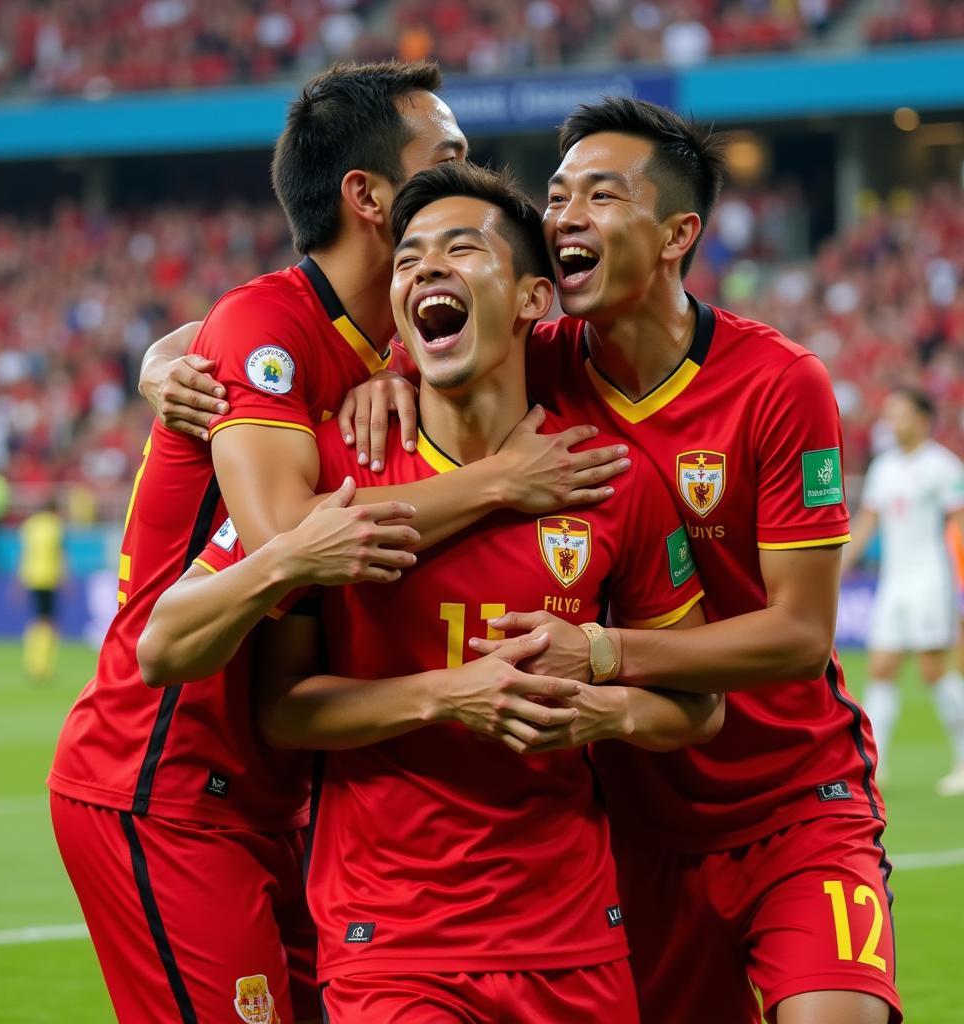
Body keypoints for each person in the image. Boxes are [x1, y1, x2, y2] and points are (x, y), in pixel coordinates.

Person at [53, 61, 626, 1024]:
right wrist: (498, 483)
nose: (466, 172)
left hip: (284, 793)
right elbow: (295, 542)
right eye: (444, 156)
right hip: (165, 772)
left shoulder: (394, 348)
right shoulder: (266, 326)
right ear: (366, 196)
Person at [328, 100, 901, 1024]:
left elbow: (800, 636)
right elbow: (338, 344)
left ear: (679, 232)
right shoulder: (532, 361)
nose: (564, 219)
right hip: (623, 825)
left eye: (602, 195)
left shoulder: (779, 383)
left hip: (791, 801)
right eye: (556, 197)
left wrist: (597, 652)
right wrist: (379, 379)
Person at [141, 162, 720, 1022]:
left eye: (460, 249)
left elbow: (698, 706)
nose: (423, 271)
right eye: (408, 258)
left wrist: (607, 709)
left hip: (574, 940)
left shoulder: (608, 481)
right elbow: (246, 687)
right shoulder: (342, 475)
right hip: (393, 942)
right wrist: (448, 697)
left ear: (531, 299)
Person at [843, 388, 964, 796]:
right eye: (890, 413)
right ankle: (876, 764)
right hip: (893, 582)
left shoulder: (943, 467)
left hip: (931, 579)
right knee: (881, 668)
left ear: (922, 418)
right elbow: (866, 524)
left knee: (933, 670)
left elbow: (959, 528)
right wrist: (839, 567)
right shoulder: (884, 468)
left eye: (900, 414)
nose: (892, 421)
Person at [18, 497, 65, 682]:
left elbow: (25, 554)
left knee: (36, 621)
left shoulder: (30, 525)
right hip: (50, 578)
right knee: (50, 624)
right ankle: (44, 666)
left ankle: (31, 662)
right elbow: (60, 553)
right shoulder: (55, 525)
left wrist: (19, 581)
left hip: (31, 577)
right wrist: (66, 578)